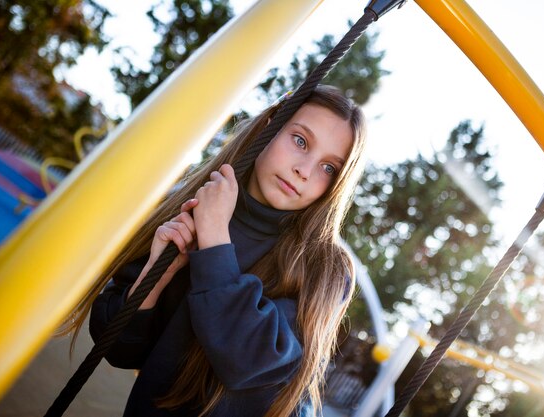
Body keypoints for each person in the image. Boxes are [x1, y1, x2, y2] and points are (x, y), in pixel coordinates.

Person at [59, 85, 368, 417]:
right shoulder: (187, 206)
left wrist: (215, 241)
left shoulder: (326, 268)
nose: (304, 170)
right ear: (270, 125)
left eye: (328, 168)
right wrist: (155, 278)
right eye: (300, 141)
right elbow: (118, 349)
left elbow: (251, 360)